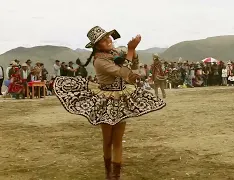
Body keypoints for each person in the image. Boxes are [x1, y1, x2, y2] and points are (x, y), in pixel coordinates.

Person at [53, 26, 166, 180]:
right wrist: (131, 50)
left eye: (108, 37)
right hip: (106, 100)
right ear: (97, 46)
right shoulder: (99, 61)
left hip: (121, 98)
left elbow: (131, 70)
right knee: (108, 140)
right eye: (104, 40)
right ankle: (108, 174)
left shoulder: (115, 54)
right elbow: (123, 73)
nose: (108, 40)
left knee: (118, 140)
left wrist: (133, 54)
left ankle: (116, 176)